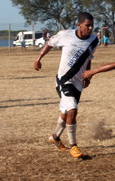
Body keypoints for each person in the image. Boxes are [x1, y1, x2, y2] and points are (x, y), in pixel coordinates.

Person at [34, 12, 98, 159]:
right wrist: (38, 58)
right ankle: (73, 145)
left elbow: (88, 57)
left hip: (78, 82)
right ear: (79, 25)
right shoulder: (65, 35)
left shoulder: (94, 40)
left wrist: (88, 73)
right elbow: (49, 44)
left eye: (92, 26)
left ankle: (55, 137)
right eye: (87, 25)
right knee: (72, 109)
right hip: (64, 81)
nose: (90, 28)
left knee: (66, 113)